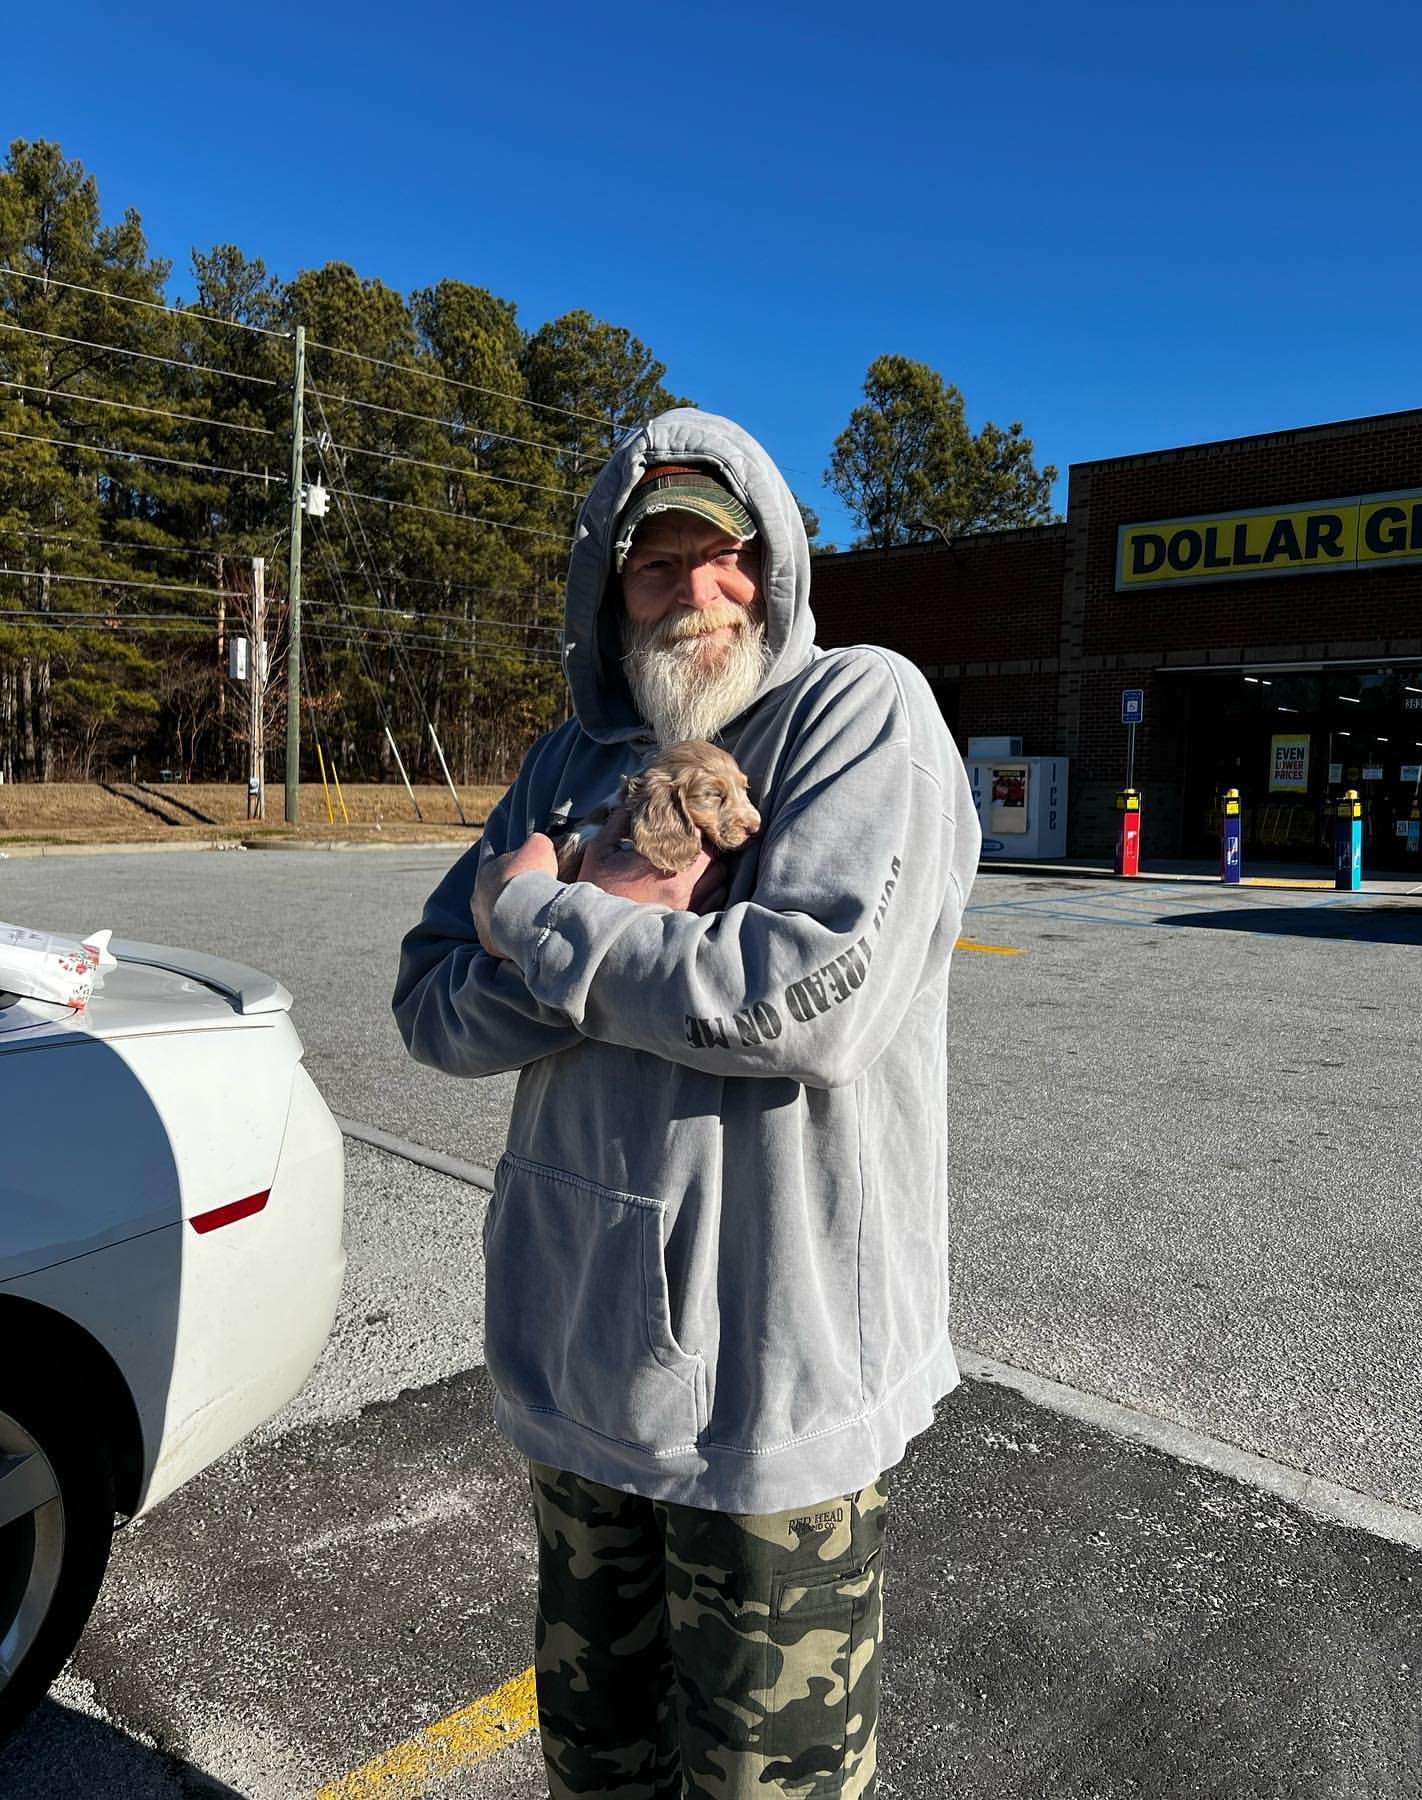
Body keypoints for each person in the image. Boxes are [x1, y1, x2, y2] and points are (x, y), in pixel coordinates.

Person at [392, 408, 981, 1798]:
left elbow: (806, 1004)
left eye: (725, 561)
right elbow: (428, 1005)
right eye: (657, 569)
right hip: (582, 1370)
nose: (697, 594)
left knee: (765, 1782)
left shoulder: (861, 711)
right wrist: (589, 921)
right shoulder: (561, 763)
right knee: (596, 1762)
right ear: (612, 592)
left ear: (774, 567)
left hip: (775, 1392)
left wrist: (534, 919)